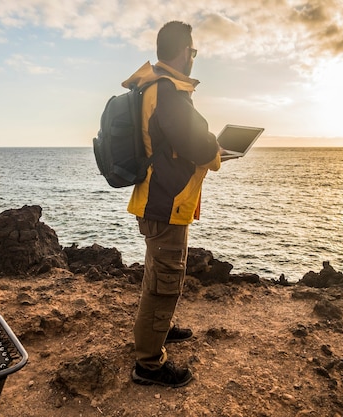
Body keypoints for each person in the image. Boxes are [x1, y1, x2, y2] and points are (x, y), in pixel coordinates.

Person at [123, 21, 222, 388]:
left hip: (155, 200)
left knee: (157, 276)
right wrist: (216, 153)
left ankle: (157, 331)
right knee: (164, 283)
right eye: (193, 52)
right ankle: (148, 364)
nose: (194, 58)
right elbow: (196, 143)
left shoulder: (155, 87)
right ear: (184, 52)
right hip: (165, 203)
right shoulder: (168, 91)